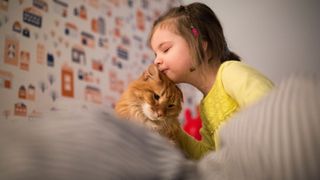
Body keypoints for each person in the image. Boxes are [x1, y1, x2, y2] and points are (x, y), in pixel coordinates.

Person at [0, 72, 319, 180]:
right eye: (155, 97)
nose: (159, 108)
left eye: (168, 106)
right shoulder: (126, 110)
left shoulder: (224, 84)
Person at [148, 2, 274, 160]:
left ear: (200, 45)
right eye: (155, 54)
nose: (156, 61)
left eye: (165, 49)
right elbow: (207, 156)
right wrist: (174, 130)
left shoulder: (230, 72)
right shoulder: (206, 107)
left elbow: (273, 111)